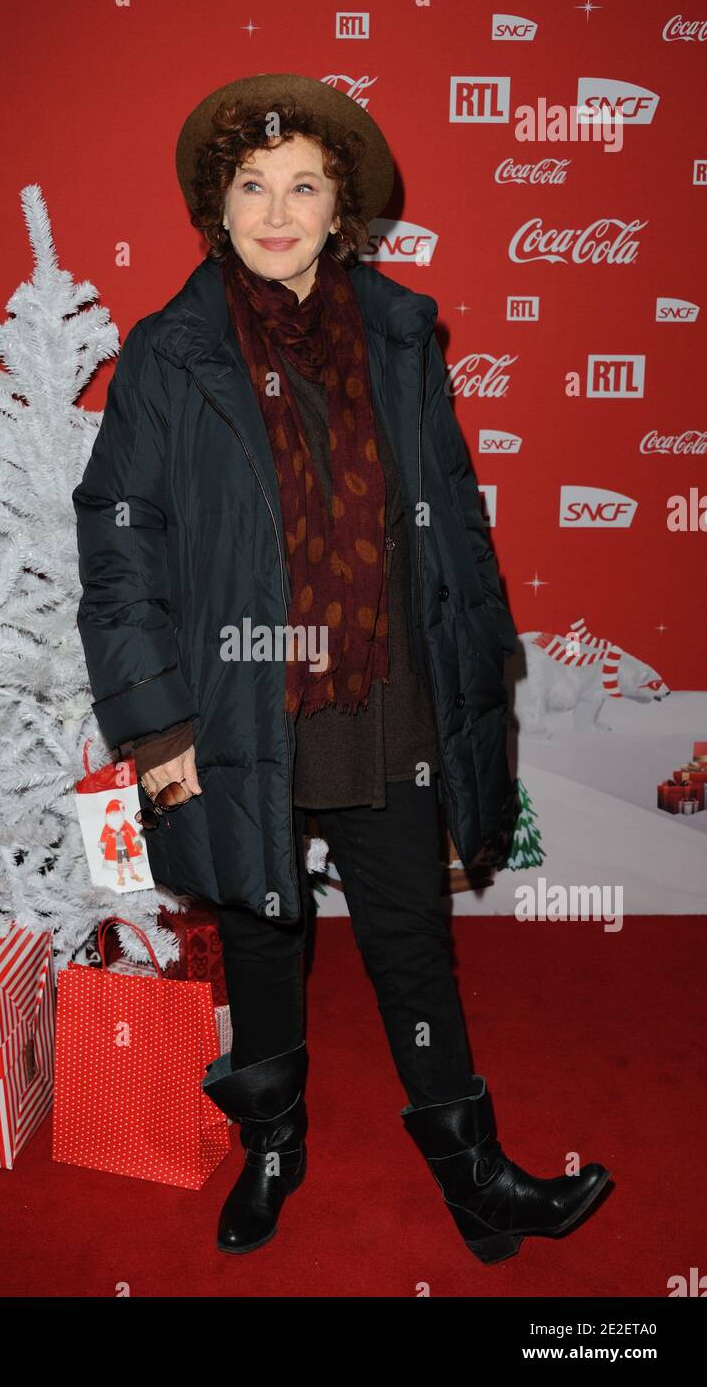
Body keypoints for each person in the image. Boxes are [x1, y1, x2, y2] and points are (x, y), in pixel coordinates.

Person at [72, 73, 611, 1264]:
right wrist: (157, 736)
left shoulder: (399, 335)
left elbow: (454, 523)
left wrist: (470, 670)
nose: (276, 210)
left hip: (382, 687)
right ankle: (273, 1150)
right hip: (235, 700)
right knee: (265, 930)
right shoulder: (171, 355)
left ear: (339, 206)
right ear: (217, 205)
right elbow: (118, 544)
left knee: (410, 931)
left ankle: (472, 1176)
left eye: (301, 186)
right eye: (251, 186)